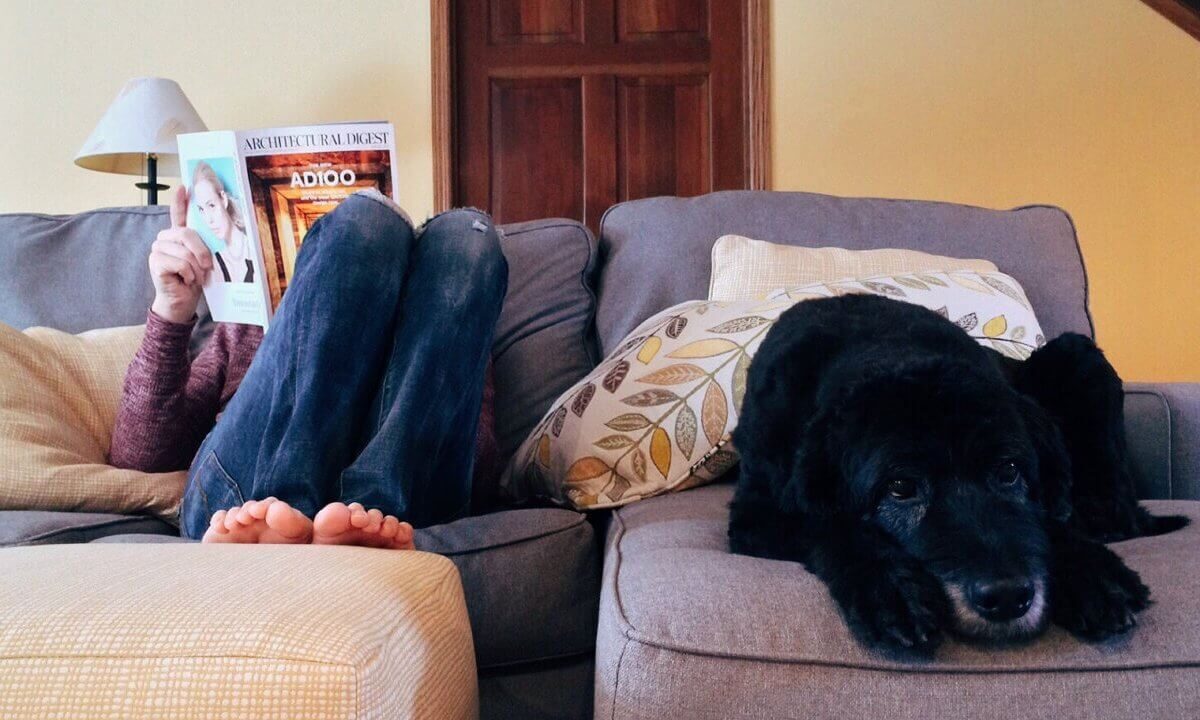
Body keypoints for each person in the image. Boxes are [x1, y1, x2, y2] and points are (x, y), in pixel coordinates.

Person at [109, 186, 505, 549]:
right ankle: (282, 506)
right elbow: (140, 457)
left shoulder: (450, 311)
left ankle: (366, 515)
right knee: (366, 222)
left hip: (402, 501)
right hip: (241, 499)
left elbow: (480, 467)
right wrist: (172, 308)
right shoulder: (246, 324)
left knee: (469, 238)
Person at [191, 161, 255, 283]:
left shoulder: (254, 247)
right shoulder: (216, 263)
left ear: (223, 199)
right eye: (201, 209)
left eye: (211, 205)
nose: (209, 219)